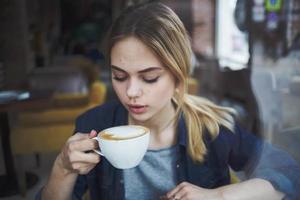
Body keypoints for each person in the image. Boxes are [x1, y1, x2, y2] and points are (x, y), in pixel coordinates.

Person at [37, 2, 300, 200]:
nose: (131, 92)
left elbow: (289, 173)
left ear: (178, 76)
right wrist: (63, 168)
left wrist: (217, 196)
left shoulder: (212, 127)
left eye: (149, 77)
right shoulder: (95, 124)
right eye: (119, 76)